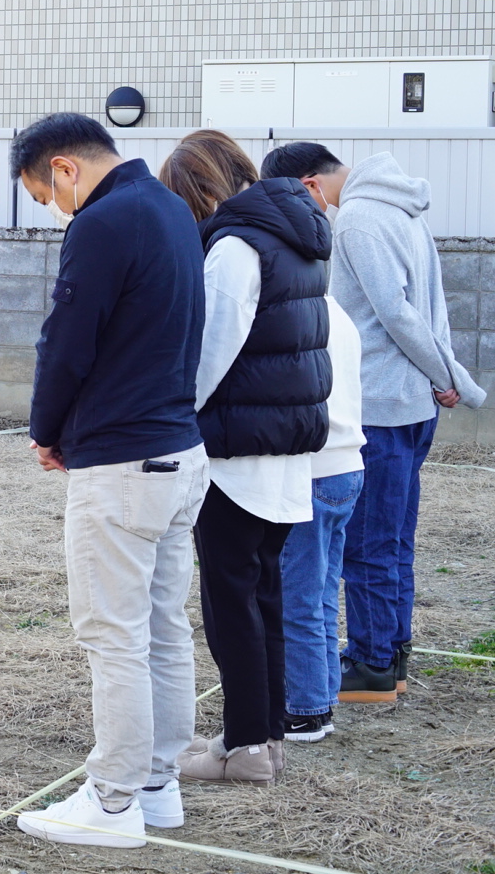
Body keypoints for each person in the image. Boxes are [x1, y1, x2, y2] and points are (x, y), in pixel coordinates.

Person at [11, 114, 208, 849]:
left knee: (113, 635)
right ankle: (158, 787)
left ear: (63, 168)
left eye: (45, 195)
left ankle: (114, 800)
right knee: (161, 626)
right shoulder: (169, 209)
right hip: (179, 453)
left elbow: (66, 339)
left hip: (123, 462)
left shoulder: (102, 221)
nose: (55, 210)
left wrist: (46, 428)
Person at [261, 143, 485, 702]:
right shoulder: (404, 209)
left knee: (366, 544)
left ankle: (373, 662)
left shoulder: (359, 218)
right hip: (412, 404)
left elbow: (396, 312)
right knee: (391, 539)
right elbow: (428, 309)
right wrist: (442, 377)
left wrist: (448, 376)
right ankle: (391, 652)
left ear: (309, 185)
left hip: (384, 404)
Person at [158, 131, 330, 786]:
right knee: (264, 596)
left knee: (232, 604)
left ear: (202, 190)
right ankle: (264, 739)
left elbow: (210, 357)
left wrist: (171, 416)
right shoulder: (297, 239)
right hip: (285, 453)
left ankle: (247, 744)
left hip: (236, 455)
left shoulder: (234, 247)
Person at [278, 290, 364, 741]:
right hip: (348, 465)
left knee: (299, 597)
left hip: (315, 467)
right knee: (323, 593)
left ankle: (306, 710)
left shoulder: (299, 313)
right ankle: (322, 696)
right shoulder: (338, 312)